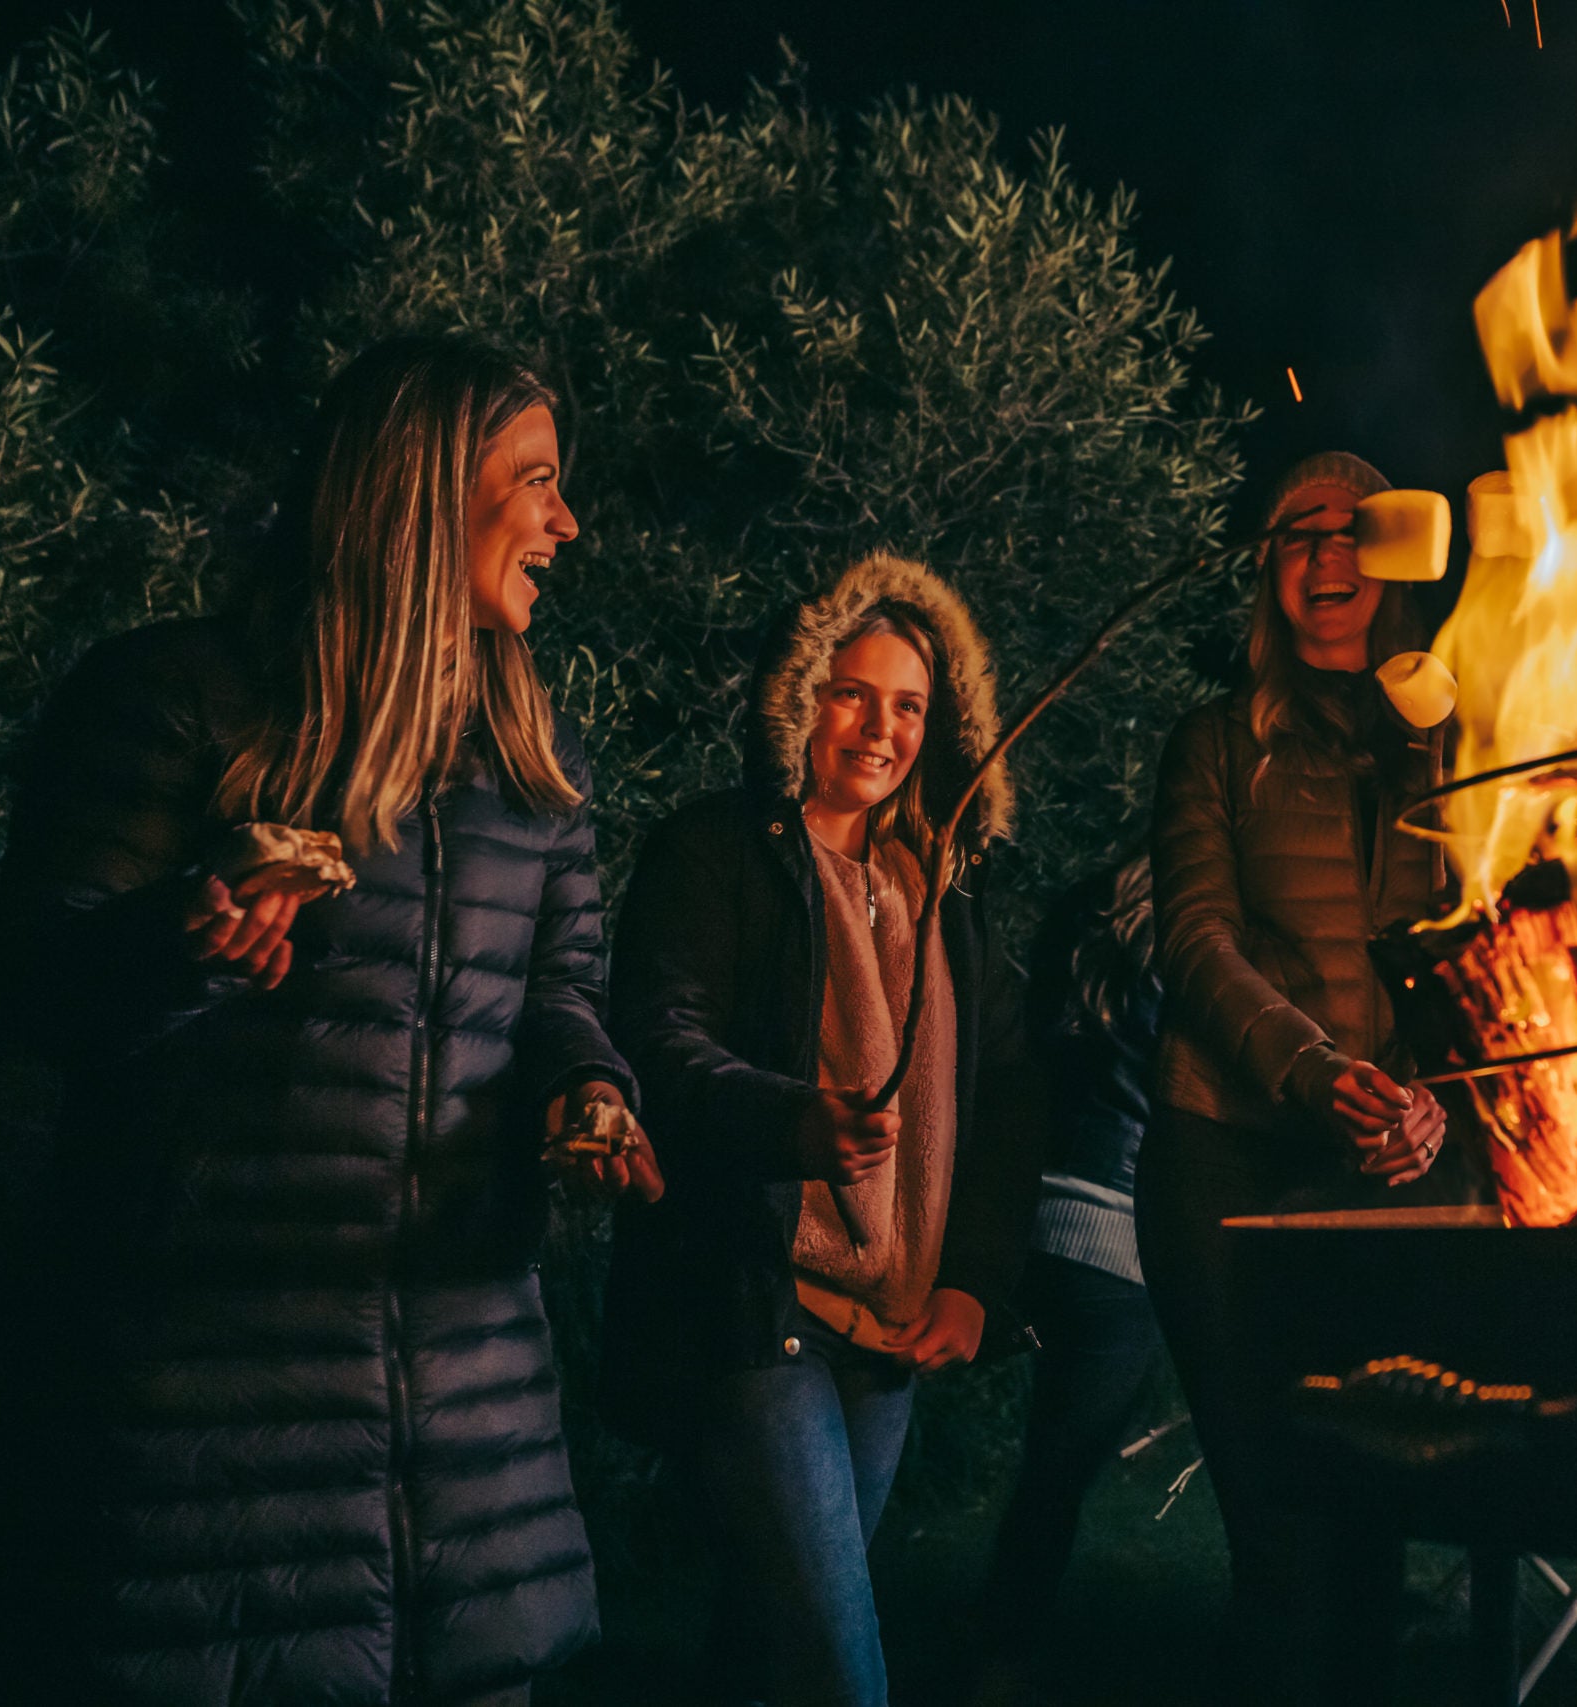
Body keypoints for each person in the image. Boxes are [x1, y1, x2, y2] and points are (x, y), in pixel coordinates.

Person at [0, 335, 658, 1704]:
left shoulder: (538, 757)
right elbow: (37, 980)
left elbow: (564, 992)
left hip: (471, 1451)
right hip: (216, 1459)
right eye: (535, 481)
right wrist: (189, 934)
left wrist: (588, 1091)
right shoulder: (174, 699)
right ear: (422, 489)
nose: (566, 522)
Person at [604, 553, 1046, 1707]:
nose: (879, 728)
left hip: (892, 1323)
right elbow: (659, 1036)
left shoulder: (948, 886)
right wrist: (790, 1121)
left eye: (909, 706)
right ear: (800, 696)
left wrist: (978, 1284)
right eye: (853, 692)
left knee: (766, 1643)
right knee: (841, 1668)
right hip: (759, 1300)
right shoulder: (715, 854)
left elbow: (1003, 1097)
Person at [1140, 451, 1457, 1699]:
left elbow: (1481, 960)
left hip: (1389, 1171)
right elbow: (1194, 943)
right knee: (1279, 1525)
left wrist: (1432, 1104)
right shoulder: (1214, 745)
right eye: (1294, 535)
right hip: (1223, 1156)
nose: (1328, 558)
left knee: (1375, 1518)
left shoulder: (1451, 745)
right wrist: (1319, 1072)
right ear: (1265, 573)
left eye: (1352, 533)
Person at [971, 854, 1168, 1698]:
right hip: (1116, 1234)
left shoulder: (1083, 909)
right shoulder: (1196, 945)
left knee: (1049, 1459)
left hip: (1029, 1209)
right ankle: (998, 1661)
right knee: (1059, 1470)